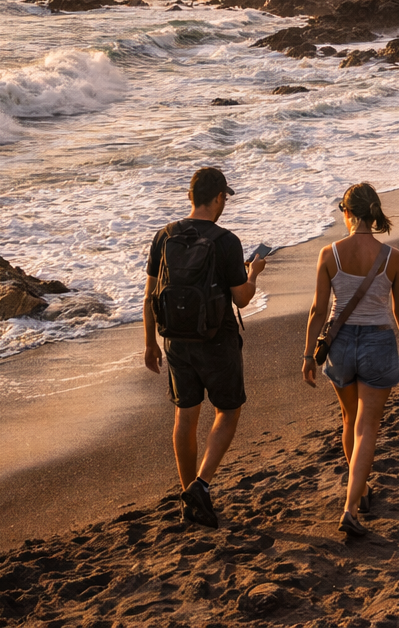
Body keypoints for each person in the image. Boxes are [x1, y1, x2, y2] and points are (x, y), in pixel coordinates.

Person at [143, 166, 265, 529]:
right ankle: (200, 486)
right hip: (217, 339)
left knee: (185, 415)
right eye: (224, 197)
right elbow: (241, 299)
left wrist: (150, 344)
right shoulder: (227, 241)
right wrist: (254, 272)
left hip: (175, 340)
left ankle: (188, 495)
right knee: (228, 411)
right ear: (218, 198)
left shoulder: (164, 236)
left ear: (189, 196)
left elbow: (150, 296)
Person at [301, 182, 399, 538]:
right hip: (378, 342)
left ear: (347, 213)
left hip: (341, 343)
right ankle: (351, 506)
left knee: (349, 420)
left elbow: (319, 310)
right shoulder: (391, 257)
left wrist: (307, 354)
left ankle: (360, 490)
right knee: (367, 426)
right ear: (373, 212)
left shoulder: (329, 254)